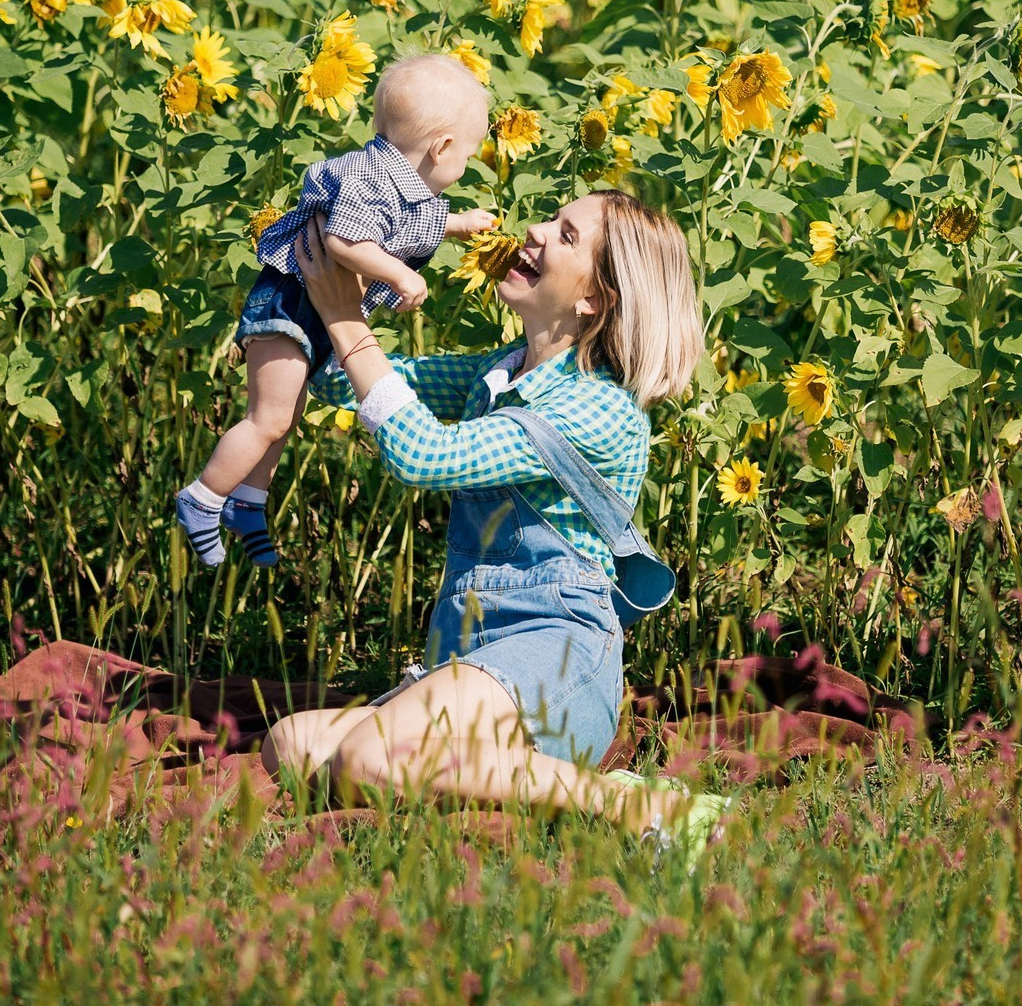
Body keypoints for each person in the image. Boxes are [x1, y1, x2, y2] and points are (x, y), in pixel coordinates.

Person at [261, 189, 731, 849]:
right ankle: (503, 783)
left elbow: (426, 455)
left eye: (565, 235)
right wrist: (361, 274)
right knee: (292, 744)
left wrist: (345, 321)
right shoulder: (498, 373)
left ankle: (636, 807)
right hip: (470, 650)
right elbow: (345, 380)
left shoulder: (602, 409)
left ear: (596, 298)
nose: (533, 230)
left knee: (371, 756)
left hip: (558, 652)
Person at [175, 54, 497, 569]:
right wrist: (399, 273)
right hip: (288, 305)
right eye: (470, 153)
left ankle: (247, 503)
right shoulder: (366, 176)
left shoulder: (402, 182)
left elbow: (408, 221)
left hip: (309, 311)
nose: (469, 164)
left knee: (287, 417)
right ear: (441, 148)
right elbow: (346, 241)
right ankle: (202, 499)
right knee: (268, 418)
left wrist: (459, 225)